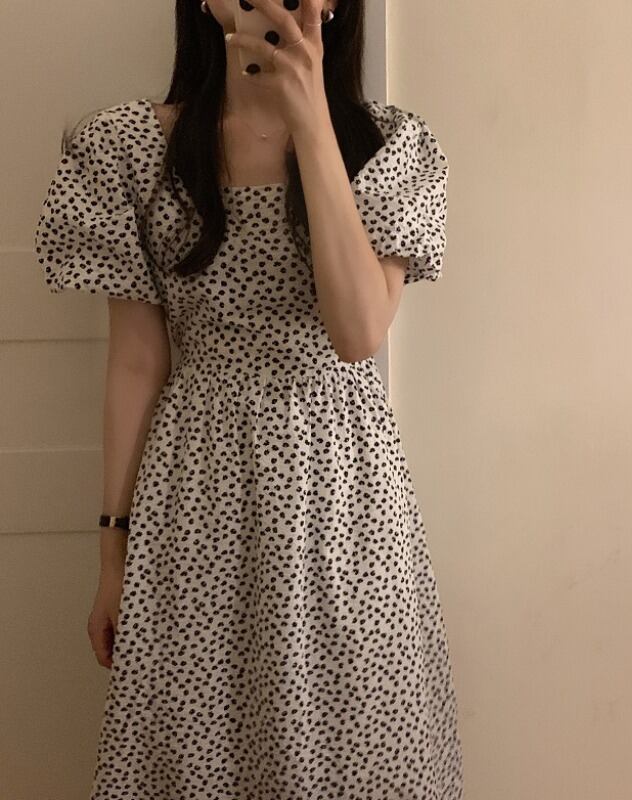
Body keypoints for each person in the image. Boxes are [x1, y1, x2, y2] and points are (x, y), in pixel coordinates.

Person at [33, 1, 464, 797]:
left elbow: (359, 332)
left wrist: (310, 118)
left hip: (344, 497)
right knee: (199, 749)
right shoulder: (129, 148)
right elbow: (136, 363)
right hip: (196, 492)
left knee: (353, 744)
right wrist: (112, 557)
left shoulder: (389, 146)